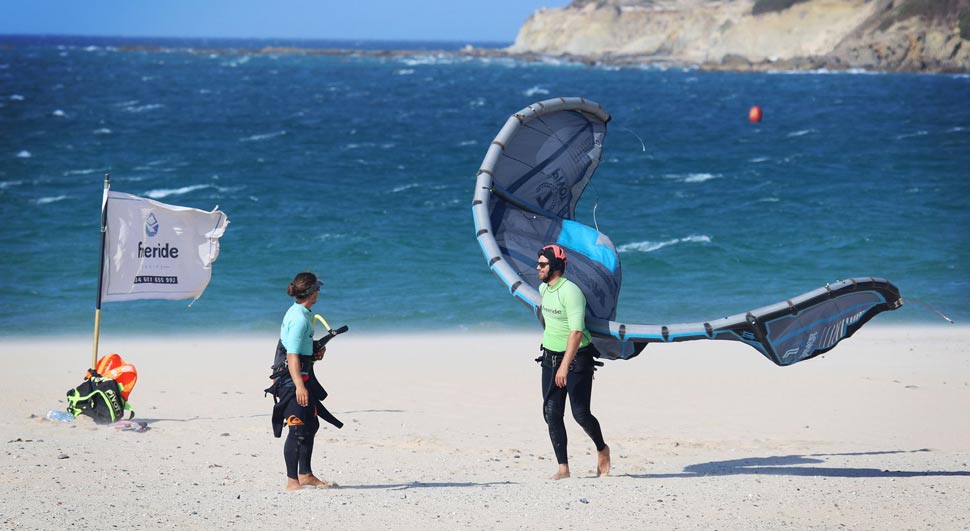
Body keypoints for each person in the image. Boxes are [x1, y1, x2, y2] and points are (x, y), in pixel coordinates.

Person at [536, 244, 610, 480]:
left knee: (580, 413)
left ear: (555, 267)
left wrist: (564, 366)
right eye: (538, 263)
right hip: (549, 357)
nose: (537, 268)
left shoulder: (572, 292)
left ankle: (602, 448)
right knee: (552, 413)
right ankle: (563, 468)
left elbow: (577, 332)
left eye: (542, 264)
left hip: (577, 359)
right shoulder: (543, 289)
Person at [272, 271, 341, 491]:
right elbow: (291, 354)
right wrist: (299, 386)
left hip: (302, 375)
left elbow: (299, 350)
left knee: (311, 424)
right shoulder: (299, 318)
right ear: (312, 292)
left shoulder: (301, 312)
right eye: (318, 288)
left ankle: (306, 474)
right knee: (298, 428)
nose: (319, 291)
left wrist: (313, 353)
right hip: (292, 382)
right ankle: (292, 481)